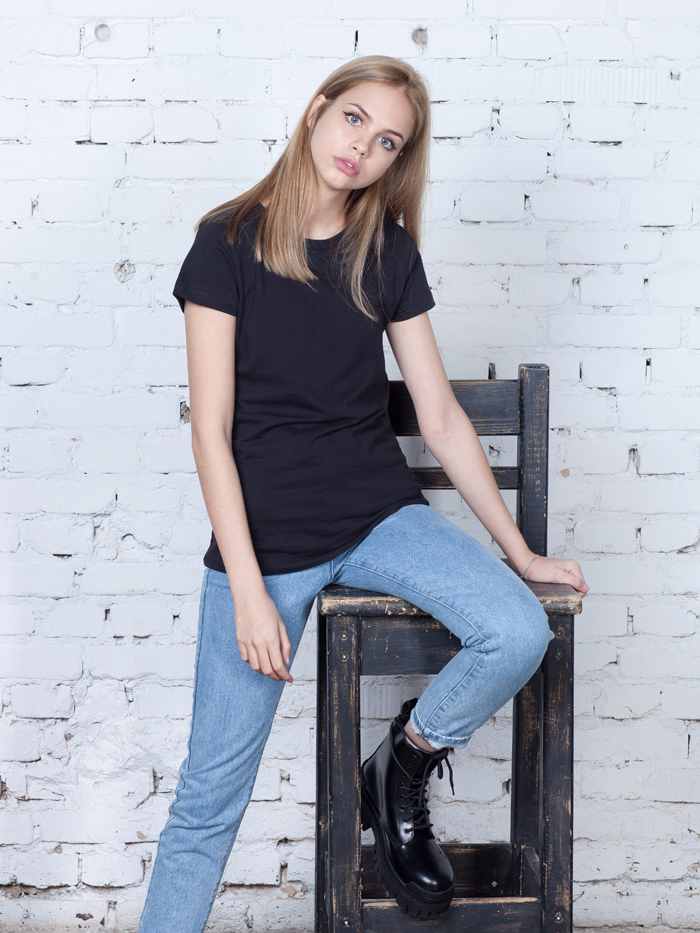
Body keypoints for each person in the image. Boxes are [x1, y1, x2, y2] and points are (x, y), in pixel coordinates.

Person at [138, 55, 589, 931]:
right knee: (209, 797)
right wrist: (247, 589)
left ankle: (401, 762)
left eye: (387, 141)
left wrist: (521, 553)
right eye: (354, 119)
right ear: (317, 110)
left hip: (378, 515)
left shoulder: (386, 252)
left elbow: (441, 417)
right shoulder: (225, 242)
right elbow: (210, 432)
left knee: (518, 628)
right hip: (265, 539)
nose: (362, 148)